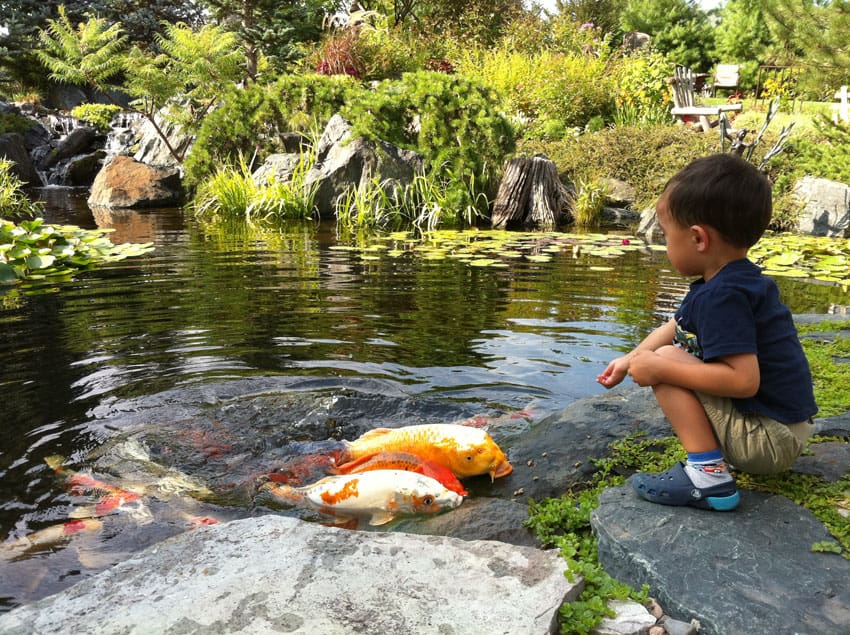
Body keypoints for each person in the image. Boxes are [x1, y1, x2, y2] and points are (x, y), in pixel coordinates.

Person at [597, 153, 817, 511]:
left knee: (666, 362)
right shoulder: (732, 281)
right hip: (782, 430)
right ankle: (711, 466)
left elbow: (744, 381)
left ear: (698, 238)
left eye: (667, 235)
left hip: (769, 441)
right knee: (662, 354)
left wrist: (660, 369)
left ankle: (709, 477)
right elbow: (674, 327)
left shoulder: (723, 297)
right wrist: (630, 359)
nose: (664, 246)